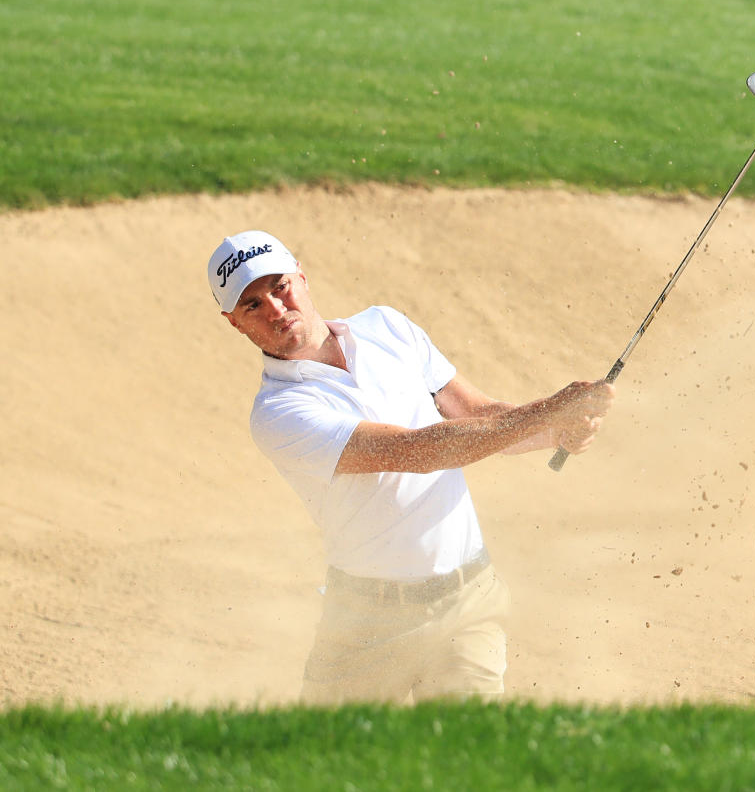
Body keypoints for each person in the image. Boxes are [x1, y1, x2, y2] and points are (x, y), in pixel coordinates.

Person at [208, 229, 614, 704]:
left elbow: (478, 416)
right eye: (252, 305)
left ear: (302, 277)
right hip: (363, 624)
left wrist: (554, 432)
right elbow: (416, 451)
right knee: (333, 766)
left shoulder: (387, 327)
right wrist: (546, 411)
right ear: (233, 322)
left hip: (468, 603)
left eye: (280, 287)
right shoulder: (279, 412)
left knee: (471, 764)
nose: (276, 309)